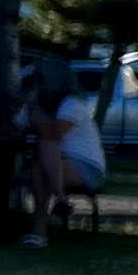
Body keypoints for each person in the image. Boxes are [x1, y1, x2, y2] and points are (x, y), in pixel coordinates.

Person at [21, 54, 106, 246]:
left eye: (41, 80)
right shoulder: (37, 105)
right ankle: (58, 202)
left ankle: (40, 230)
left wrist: (33, 112)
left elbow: (54, 132)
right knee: (42, 165)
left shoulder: (72, 103)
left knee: (45, 148)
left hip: (86, 166)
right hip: (56, 164)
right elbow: (14, 126)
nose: (38, 86)